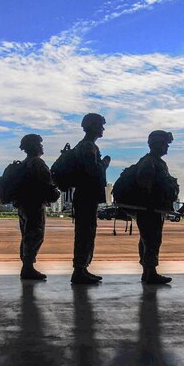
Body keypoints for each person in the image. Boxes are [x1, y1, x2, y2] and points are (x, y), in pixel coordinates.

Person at [71, 113, 110, 284]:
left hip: (85, 195)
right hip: (86, 195)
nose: (102, 128)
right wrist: (105, 163)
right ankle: (80, 270)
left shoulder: (86, 146)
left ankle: (82, 268)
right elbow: (93, 172)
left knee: (86, 232)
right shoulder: (88, 147)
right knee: (85, 233)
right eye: (100, 125)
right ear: (93, 126)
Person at [134, 130, 178, 284]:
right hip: (150, 210)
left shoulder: (154, 161)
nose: (167, 147)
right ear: (157, 144)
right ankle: (150, 272)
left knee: (148, 240)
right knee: (152, 240)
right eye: (165, 144)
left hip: (152, 209)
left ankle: (148, 271)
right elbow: (145, 184)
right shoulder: (150, 162)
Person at [16, 134, 60, 280]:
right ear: (34, 146)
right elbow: (49, 181)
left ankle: (26, 266)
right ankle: (28, 267)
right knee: (35, 235)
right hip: (34, 205)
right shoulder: (37, 163)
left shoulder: (24, 163)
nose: (42, 147)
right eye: (39, 144)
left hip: (23, 205)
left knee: (26, 234)